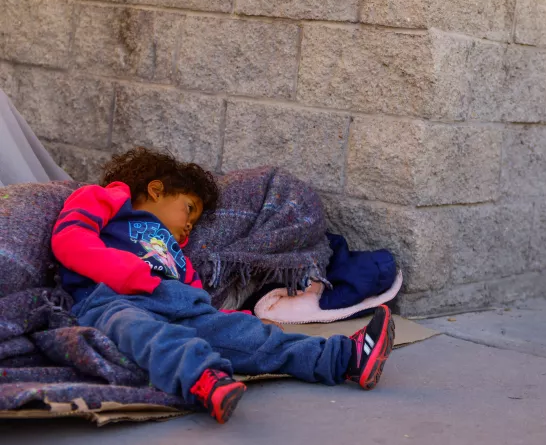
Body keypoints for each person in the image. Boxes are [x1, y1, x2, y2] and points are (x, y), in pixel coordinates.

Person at [51, 147, 395, 424]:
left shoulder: (174, 249)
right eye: (188, 209)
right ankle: (202, 378)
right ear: (156, 189)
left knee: (251, 335)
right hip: (111, 299)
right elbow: (69, 239)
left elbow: (194, 290)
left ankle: (344, 358)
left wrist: (218, 315)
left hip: (177, 302)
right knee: (140, 331)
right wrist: (126, 272)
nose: (188, 226)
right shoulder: (108, 198)